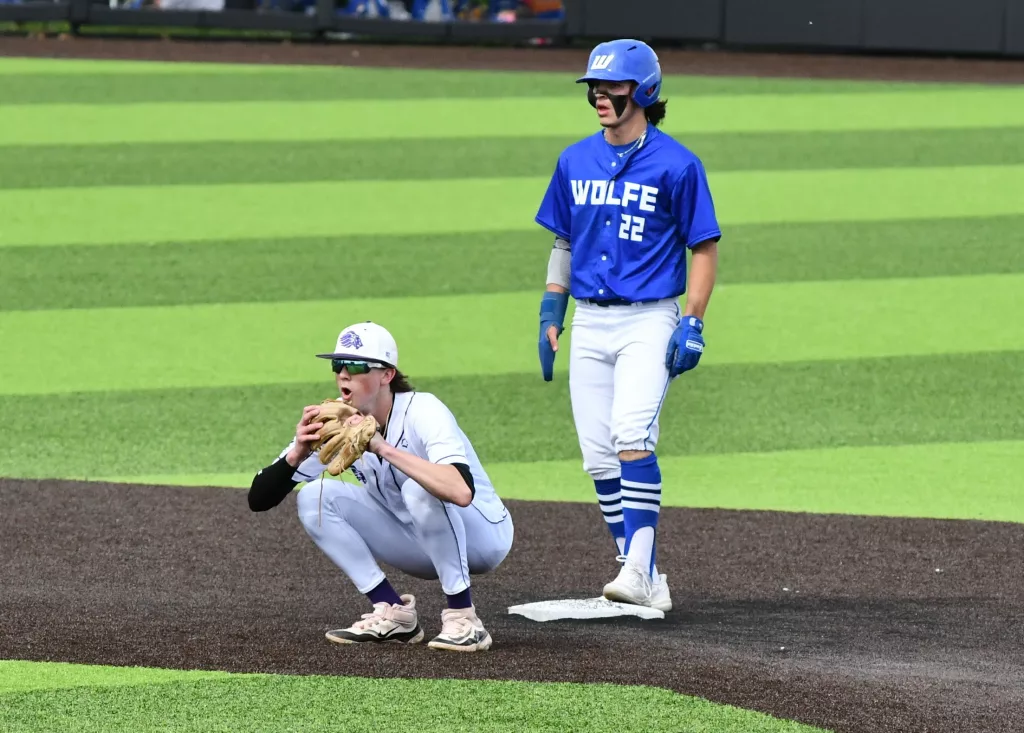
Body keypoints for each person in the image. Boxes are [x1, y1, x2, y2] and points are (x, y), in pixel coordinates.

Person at [533, 39, 721, 612]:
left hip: (649, 319)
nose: (599, 96)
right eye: (594, 87)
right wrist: (551, 311)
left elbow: (704, 247)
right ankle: (644, 572)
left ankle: (637, 570)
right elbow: (564, 242)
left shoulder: (678, 164)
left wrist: (693, 320)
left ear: (644, 92)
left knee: (632, 437)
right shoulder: (574, 160)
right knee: (598, 457)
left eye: (611, 87)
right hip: (590, 321)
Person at [247, 321, 513, 652]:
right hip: (420, 543)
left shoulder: (424, 410)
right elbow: (259, 499)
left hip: (483, 536)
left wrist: (381, 447)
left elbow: (460, 491)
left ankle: (464, 618)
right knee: (314, 497)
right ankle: (393, 612)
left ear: (387, 374)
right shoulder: (339, 423)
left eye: (356, 366)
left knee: (417, 489)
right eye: (338, 365)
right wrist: (297, 454)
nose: (344, 374)